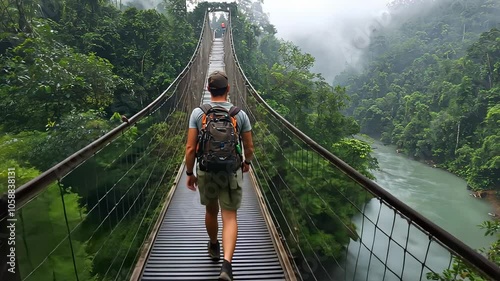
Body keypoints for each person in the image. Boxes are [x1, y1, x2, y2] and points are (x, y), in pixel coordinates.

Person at [184, 70, 254, 281]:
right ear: (229, 89)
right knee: (230, 216)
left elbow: (189, 147)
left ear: (208, 89)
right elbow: (249, 147)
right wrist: (247, 163)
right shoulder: (238, 114)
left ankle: (214, 245)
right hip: (231, 171)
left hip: (207, 170)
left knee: (211, 211)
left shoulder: (198, 113)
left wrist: (190, 173)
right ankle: (227, 266)